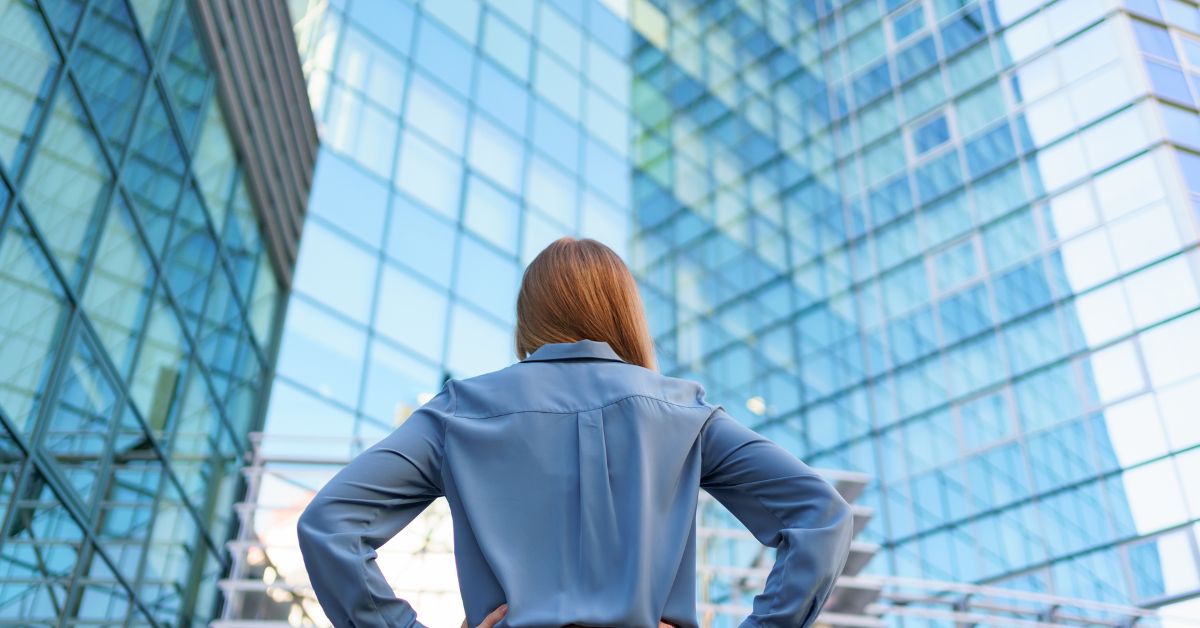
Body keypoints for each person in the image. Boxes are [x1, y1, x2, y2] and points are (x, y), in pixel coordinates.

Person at [296, 236, 855, 627]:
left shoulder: (457, 412)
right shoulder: (683, 410)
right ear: (623, 314)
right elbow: (821, 516)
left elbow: (331, 526)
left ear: (529, 319)